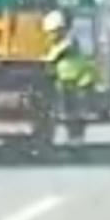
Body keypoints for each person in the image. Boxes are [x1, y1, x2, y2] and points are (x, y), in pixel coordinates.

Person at [42, 8, 94, 142]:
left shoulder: (68, 41)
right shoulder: (60, 41)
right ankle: (73, 137)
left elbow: (54, 55)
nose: (51, 35)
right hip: (67, 80)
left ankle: (76, 137)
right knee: (68, 112)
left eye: (53, 32)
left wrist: (45, 59)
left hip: (79, 80)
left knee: (76, 112)